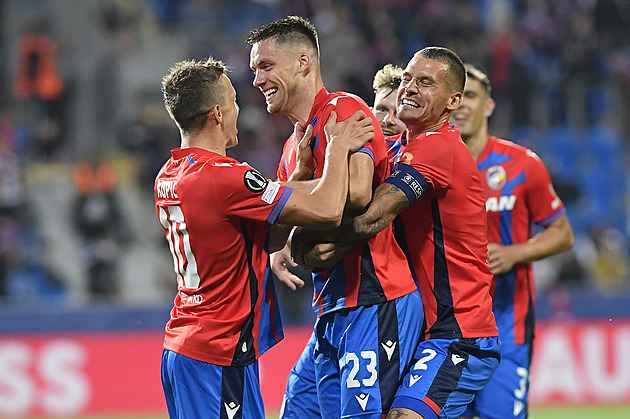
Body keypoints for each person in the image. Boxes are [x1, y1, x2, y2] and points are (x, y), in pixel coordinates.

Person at [155, 56, 375, 419]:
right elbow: (327, 209)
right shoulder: (224, 176)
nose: (240, 108)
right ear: (218, 114)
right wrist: (337, 149)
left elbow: (261, 235)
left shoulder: (170, 173)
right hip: (218, 351)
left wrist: (303, 171)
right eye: (234, 101)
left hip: (187, 344)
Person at [293, 46, 502, 419]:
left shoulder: (437, 149)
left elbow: (371, 219)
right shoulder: (402, 149)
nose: (409, 88)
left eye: (425, 82)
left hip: (459, 331)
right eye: (407, 78)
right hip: (421, 326)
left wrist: (308, 243)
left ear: (453, 100)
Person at [247, 16, 423, 419]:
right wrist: (297, 224)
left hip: (376, 299)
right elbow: (277, 237)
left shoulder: (344, 110)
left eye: (266, 66)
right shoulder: (293, 148)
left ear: (303, 62)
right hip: (331, 309)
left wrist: (305, 231)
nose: (257, 79)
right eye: (256, 69)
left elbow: (360, 195)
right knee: (297, 410)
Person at [453, 64, 575, 419]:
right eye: (457, 97)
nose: (463, 105)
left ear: (488, 106)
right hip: (445, 329)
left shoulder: (522, 165)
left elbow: (562, 233)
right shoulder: (427, 168)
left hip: (507, 325)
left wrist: (514, 253)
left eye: (472, 96)